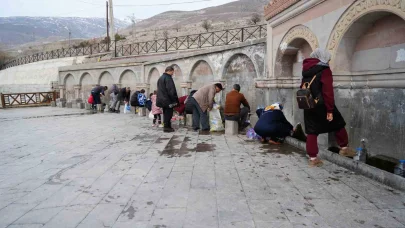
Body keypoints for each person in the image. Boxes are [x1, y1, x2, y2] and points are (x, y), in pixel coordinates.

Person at [302, 48, 355, 167]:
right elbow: (328, 92)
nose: (329, 61)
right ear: (323, 58)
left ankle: (313, 158)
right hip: (322, 105)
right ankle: (344, 148)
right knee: (338, 123)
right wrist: (330, 110)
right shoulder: (324, 70)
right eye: (328, 59)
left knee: (312, 131)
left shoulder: (306, 70)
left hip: (309, 104)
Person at [157, 66, 179, 133]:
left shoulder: (160, 78)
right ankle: (167, 128)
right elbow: (171, 90)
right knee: (168, 114)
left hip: (162, 99)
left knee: (165, 113)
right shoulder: (168, 78)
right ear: (170, 71)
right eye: (173, 72)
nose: (173, 73)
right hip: (168, 100)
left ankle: (167, 126)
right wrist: (175, 100)